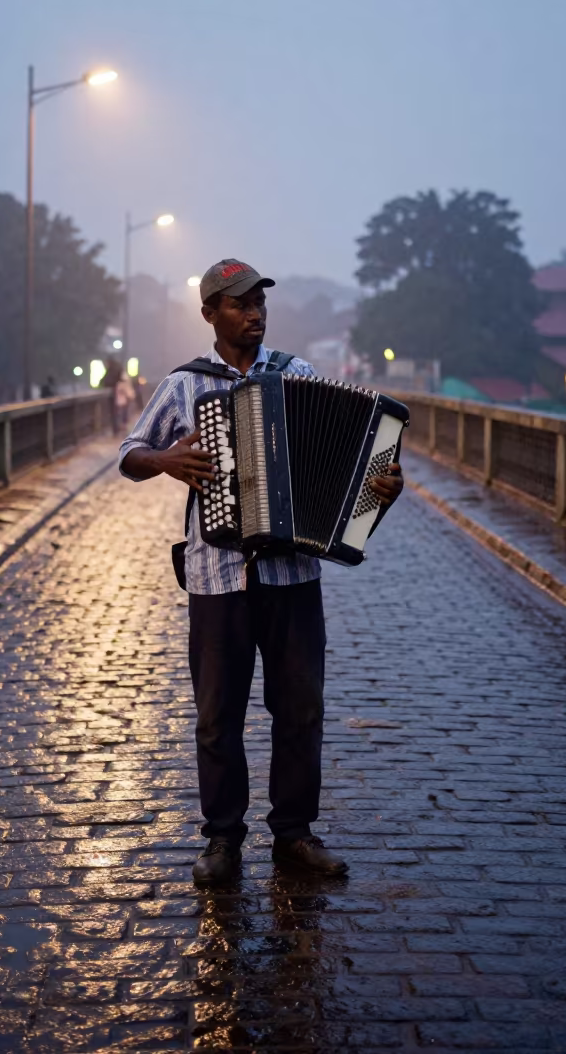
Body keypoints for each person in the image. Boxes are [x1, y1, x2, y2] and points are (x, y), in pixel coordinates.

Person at [119, 260, 404, 885]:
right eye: (239, 304)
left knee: (300, 710)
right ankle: (222, 840)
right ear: (210, 314)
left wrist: (381, 488)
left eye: (258, 303)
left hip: (294, 576)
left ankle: (294, 836)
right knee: (217, 716)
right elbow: (129, 454)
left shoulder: (295, 374)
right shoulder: (184, 385)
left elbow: (353, 466)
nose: (254, 313)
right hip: (215, 578)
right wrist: (165, 458)